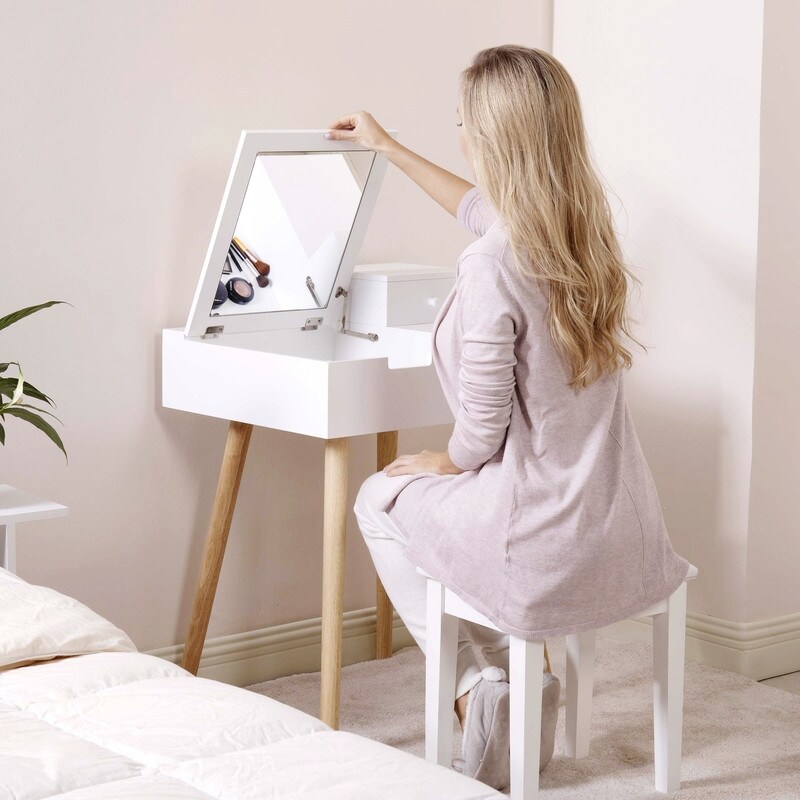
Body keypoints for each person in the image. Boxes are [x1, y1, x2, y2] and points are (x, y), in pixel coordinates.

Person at [328, 45, 690, 787]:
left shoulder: (492, 264)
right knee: (427, 503)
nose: (458, 133)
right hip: (621, 520)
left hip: (542, 530)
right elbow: (473, 205)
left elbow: (483, 431)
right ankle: (503, 690)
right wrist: (387, 146)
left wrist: (443, 462)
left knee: (377, 497)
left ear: (491, 138)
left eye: (462, 123)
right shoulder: (580, 234)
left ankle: (476, 686)